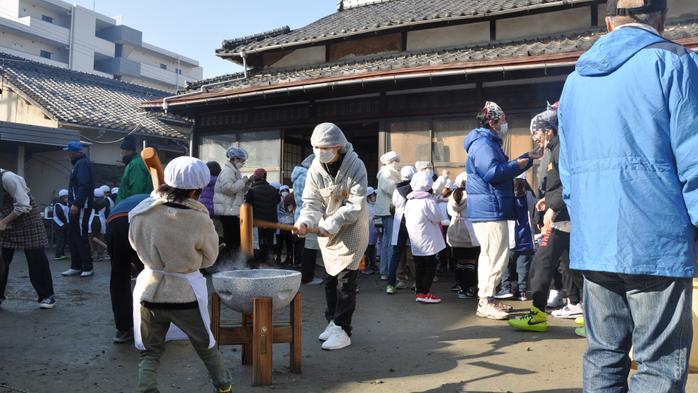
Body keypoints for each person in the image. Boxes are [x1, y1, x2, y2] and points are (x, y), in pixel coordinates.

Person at [558, 0, 697, 390]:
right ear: (662, 16)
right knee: (658, 363)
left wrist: (585, 220)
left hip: (594, 241)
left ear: (608, 22)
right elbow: (695, 155)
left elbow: (567, 172)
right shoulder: (674, 62)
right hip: (657, 239)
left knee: (603, 356)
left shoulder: (575, 80)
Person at [129, 156, 232, 393]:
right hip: (184, 295)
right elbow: (210, 258)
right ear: (198, 189)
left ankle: (147, 390)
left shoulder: (140, 212)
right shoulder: (199, 218)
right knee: (205, 345)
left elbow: (134, 244)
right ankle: (224, 386)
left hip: (148, 292)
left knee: (150, 351)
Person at [509, 106, 584, 333]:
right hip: (565, 215)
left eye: (537, 132)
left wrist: (553, 206)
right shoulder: (558, 147)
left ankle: (538, 314)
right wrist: (546, 200)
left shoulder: (561, 149)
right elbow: (560, 184)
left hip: (561, 217)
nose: (535, 137)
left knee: (541, 263)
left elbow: (572, 183)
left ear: (549, 131)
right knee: (572, 267)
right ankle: (590, 316)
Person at [295, 122, 368, 351]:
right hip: (326, 232)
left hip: (352, 229)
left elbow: (355, 204)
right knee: (330, 280)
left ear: (338, 147)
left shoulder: (356, 166)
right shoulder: (315, 169)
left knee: (346, 281)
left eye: (324, 147)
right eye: (315, 147)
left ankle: (343, 329)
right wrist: (306, 221)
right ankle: (332, 321)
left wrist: (333, 222)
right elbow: (311, 202)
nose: (319, 151)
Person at [464, 101, 540, 320]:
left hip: (491, 207)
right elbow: (493, 173)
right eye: (503, 121)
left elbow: (497, 171)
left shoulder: (486, 142)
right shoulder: (483, 143)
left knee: (494, 256)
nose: (506, 125)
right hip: (490, 208)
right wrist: (520, 163)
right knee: (494, 257)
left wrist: (525, 159)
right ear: (492, 122)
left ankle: (489, 299)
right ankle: (486, 301)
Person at [0, 169, 56, 309]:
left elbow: (24, 204)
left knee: (36, 260)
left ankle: (47, 296)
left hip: (28, 221)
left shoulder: (8, 178)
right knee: (1, 260)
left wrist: (4, 222)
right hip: (7, 221)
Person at [106, 193, 148, 343]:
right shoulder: (162, 202)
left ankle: (123, 330)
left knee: (119, 277)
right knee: (152, 276)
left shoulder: (139, 197)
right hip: (140, 222)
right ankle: (153, 327)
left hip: (114, 223)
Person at [404, 171, 445, 304]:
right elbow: (437, 217)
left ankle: (419, 291)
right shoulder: (427, 201)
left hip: (416, 238)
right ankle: (424, 292)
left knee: (420, 265)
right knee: (430, 265)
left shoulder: (410, 200)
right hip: (427, 238)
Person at [496, 175, 536, 301]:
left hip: (509, 236)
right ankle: (522, 291)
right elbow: (535, 212)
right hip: (525, 237)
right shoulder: (530, 195)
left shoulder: (507, 195)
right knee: (522, 267)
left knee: (506, 264)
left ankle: (506, 288)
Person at [62, 140, 95, 278]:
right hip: (76, 205)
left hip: (81, 206)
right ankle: (76, 266)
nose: (67, 155)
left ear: (74, 152)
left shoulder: (82, 164)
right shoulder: (79, 164)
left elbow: (84, 186)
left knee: (81, 236)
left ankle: (87, 267)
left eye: (68, 152)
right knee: (74, 236)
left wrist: (77, 203)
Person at [447, 172, 480, 299]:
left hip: (455, 231)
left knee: (460, 262)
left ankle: (461, 288)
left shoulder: (452, 196)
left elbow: (449, 212)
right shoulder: (472, 196)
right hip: (470, 232)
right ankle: (470, 288)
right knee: (471, 262)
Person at [291, 154, 323, 285]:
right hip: (308, 214)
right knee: (310, 247)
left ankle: (303, 274)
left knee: (303, 245)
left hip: (300, 213)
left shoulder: (298, 175)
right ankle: (307, 277)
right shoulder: (307, 176)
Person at [385, 165, 416, 294]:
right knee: (416, 253)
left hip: (399, 223)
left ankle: (391, 284)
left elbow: (393, 206)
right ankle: (418, 282)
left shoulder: (397, 190)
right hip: (413, 223)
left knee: (396, 254)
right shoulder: (415, 188)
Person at [214, 147, 249, 253]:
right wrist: (243, 182)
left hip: (231, 211)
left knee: (235, 240)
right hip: (227, 212)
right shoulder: (228, 171)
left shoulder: (234, 171)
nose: (243, 163)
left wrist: (247, 183)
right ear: (235, 159)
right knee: (232, 241)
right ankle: (228, 264)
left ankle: (232, 263)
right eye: (242, 161)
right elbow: (228, 189)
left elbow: (239, 191)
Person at [244, 168, 279, 263]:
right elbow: (277, 201)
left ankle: (255, 264)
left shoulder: (251, 191)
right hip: (271, 222)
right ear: (265, 177)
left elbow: (247, 206)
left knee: (256, 244)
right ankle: (268, 262)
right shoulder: (274, 190)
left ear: (255, 178)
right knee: (269, 243)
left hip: (256, 221)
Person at [375, 151, 401, 280]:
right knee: (391, 241)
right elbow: (388, 188)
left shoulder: (387, 172)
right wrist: (401, 187)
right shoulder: (387, 172)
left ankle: (385, 270)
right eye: (397, 160)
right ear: (392, 161)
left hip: (387, 210)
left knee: (386, 240)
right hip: (389, 210)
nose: (398, 163)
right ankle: (390, 271)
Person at [115, 135, 153, 203]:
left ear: (126, 151)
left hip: (127, 208)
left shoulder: (136, 165)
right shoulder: (135, 163)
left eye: (121, 152)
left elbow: (137, 191)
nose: (121, 155)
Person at [89, 187, 110, 261]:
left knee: (90, 238)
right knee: (100, 238)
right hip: (101, 220)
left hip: (91, 220)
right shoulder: (105, 203)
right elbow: (107, 213)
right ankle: (100, 255)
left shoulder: (90, 201)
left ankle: (91, 254)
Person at [276, 191, 295, 265]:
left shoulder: (279, 198)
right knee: (289, 243)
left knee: (280, 243)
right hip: (291, 224)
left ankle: (278, 258)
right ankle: (289, 259)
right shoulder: (292, 198)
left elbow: (277, 211)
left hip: (281, 224)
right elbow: (292, 211)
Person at [363, 187, 378, 275]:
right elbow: (365, 220)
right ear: (368, 196)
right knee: (367, 251)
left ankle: (373, 266)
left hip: (374, 233)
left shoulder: (374, 205)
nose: (374, 196)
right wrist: (373, 218)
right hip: (367, 233)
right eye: (373, 195)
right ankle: (366, 267)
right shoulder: (365, 207)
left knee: (373, 250)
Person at [52, 189, 70, 261]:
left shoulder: (66, 205)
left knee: (64, 240)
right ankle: (58, 255)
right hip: (59, 225)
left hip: (64, 225)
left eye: (67, 197)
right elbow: (60, 215)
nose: (67, 198)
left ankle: (62, 254)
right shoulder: (58, 205)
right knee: (60, 240)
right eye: (65, 197)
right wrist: (66, 222)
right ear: (61, 198)